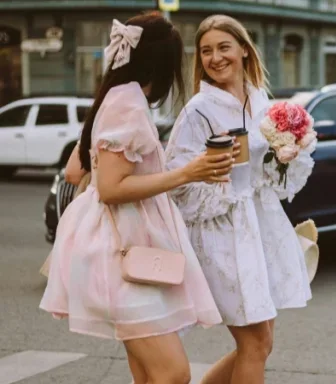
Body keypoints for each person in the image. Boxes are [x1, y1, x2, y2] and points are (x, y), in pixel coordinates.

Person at [39, 12, 230, 384]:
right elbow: (111, 189)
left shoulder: (115, 97)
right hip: (118, 256)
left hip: (120, 251)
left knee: (147, 375)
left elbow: (78, 171)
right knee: (173, 374)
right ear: (163, 64)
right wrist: (187, 173)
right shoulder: (126, 103)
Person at [165, 15, 315, 384]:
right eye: (206, 51)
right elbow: (178, 184)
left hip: (261, 228)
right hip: (223, 235)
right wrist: (224, 182)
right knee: (255, 343)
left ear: (244, 51)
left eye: (223, 47)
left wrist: (290, 152)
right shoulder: (197, 111)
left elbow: (276, 181)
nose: (215, 58)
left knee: (261, 344)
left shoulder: (262, 101)